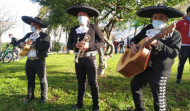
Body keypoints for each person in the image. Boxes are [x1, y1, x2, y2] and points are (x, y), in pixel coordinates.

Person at [128, 3, 184, 111]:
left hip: (160, 70)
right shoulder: (147, 29)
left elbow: (174, 53)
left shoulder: (175, 34)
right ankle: (139, 109)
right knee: (135, 86)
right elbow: (134, 39)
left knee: (159, 99)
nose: (157, 19)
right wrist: (132, 45)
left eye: (161, 17)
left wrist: (157, 44)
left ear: (166, 19)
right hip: (143, 66)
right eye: (155, 17)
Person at [66, 6, 105, 111]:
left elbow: (102, 42)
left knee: (93, 82)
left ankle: (95, 105)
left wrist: (90, 46)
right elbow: (68, 45)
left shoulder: (94, 27)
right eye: (79, 15)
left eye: (83, 15)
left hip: (90, 58)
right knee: (80, 82)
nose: (81, 17)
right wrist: (75, 45)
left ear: (88, 17)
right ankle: (79, 104)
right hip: (78, 59)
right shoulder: (73, 29)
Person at [17, 16, 50, 104]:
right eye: (30, 25)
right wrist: (21, 43)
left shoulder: (45, 36)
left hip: (39, 60)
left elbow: (45, 46)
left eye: (33, 25)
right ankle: (30, 96)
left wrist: (34, 44)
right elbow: (18, 41)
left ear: (38, 25)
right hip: (29, 60)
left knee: (42, 80)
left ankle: (43, 98)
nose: (31, 26)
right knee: (30, 79)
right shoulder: (28, 35)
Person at [176, 6, 190, 84]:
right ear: (188, 13)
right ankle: (178, 79)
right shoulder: (181, 22)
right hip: (183, 46)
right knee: (181, 64)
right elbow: (174, 32)